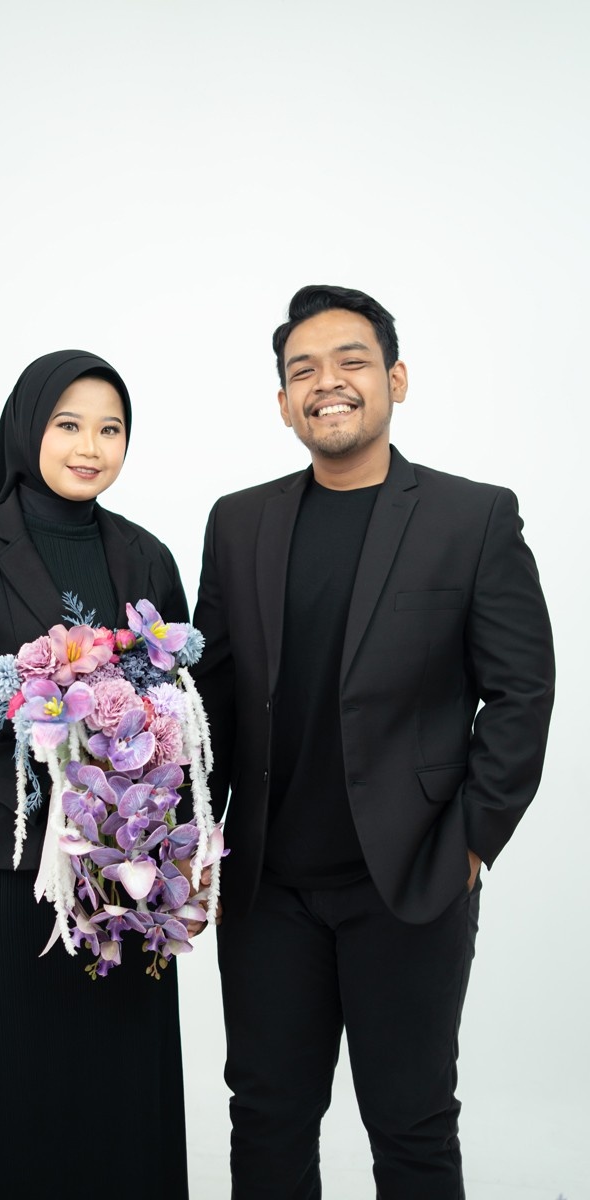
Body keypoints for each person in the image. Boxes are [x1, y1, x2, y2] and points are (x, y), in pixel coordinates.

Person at [192, 286, 555, 1199]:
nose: (328, 382)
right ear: (283, 403)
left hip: (412, 880)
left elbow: (522, 692)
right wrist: (191, 838)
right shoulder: (238, 521)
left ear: (395, 379)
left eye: (351, 361)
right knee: (266, 1118)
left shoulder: (472, 517)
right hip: (268, 888)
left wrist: (471, 842)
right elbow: (214, 696)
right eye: (303, 371)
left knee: (412, 1123)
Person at [0, 350, 190, 1199]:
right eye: (69, 425)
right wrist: (41, 787)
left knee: (116, 1111)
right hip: (4, 877)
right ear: (28, 430)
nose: (91, 446)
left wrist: (156, 816)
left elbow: (183, 706)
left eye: (110, 429)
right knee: (5, 1113)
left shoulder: (148, 556)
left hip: (125, 887)